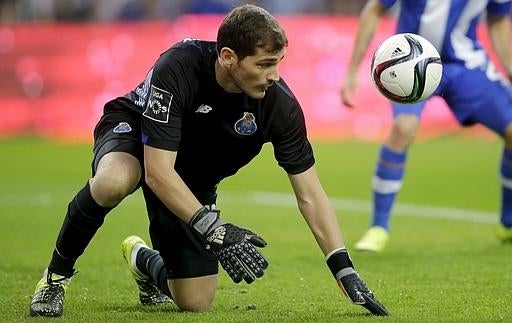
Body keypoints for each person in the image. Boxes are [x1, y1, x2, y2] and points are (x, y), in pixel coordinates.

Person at [30, 4, 389, 317]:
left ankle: (143, 261)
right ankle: (54, 278)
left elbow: (310, 193)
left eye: (278, 63)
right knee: (113, 181)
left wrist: (344, 270)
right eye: (264, 64)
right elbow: (157, 173)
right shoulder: (179, 67)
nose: (274, 75)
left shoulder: (279, 106)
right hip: (139, 140)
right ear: (228, 56)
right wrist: (212, 227)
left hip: (190, 176)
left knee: (195, 301)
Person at [340, 0, 512, 252]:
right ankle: (378, 228)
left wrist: (510, 64)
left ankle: (511, 223)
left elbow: (498, 18)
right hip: (411, 61)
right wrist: (351, 72)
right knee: (404, 127)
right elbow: (374, 8)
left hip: (465, 65)